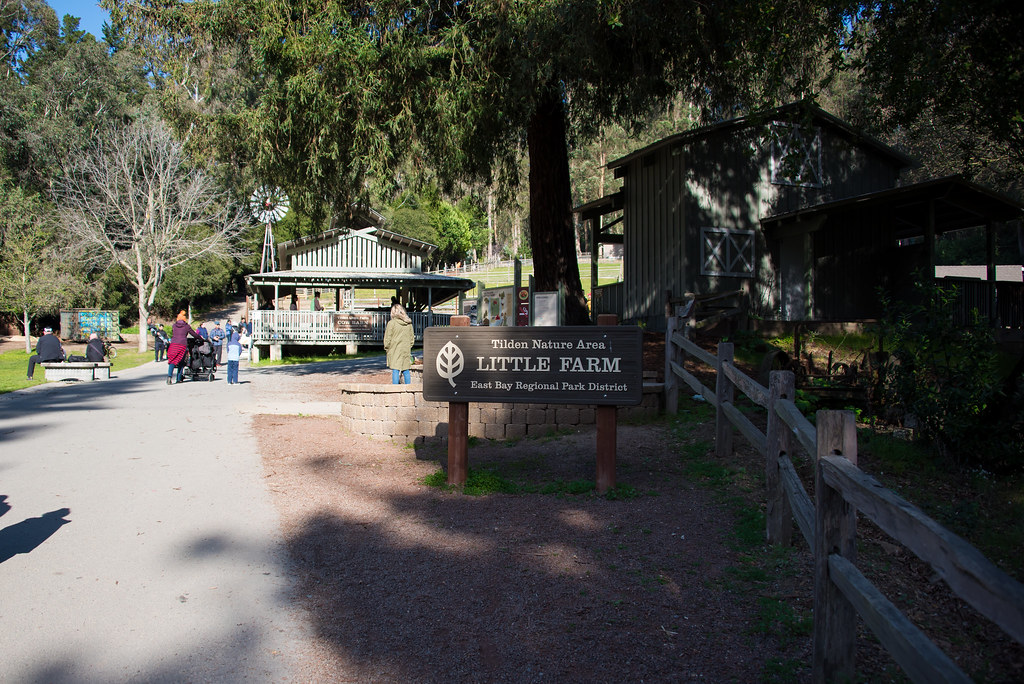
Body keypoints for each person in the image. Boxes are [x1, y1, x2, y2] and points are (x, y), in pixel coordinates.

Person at [166, 311, 202, 385]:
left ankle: (169, 377)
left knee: (172, 361)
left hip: (173, 344)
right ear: (184, 319)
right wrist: (200, 338)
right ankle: (178, 378)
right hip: (182, 345)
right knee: (181, 362)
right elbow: (193, 334)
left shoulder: (174, 326)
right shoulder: (186, 326)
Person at [383, 303, 414, 385]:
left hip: (394, 349)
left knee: (395, 370)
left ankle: (395, 389)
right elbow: (412, 339)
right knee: (406, 370)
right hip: (405, 349)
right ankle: (408, 388)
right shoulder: (409, 323)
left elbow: (387, 338)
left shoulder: (391, 323)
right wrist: (408, 346)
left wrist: (387, 348)